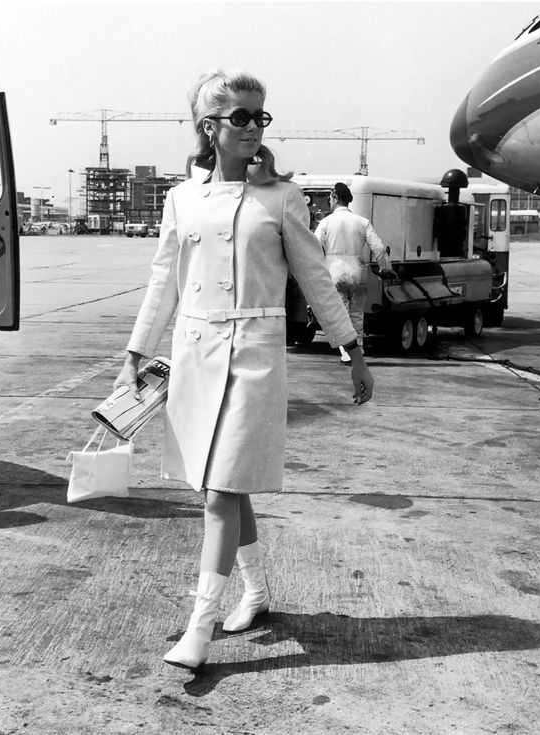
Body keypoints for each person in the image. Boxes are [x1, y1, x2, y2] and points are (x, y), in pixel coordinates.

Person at [113, 69, 374, 671]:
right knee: (221, 485)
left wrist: (350, 348)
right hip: (195, 354)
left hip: (256, 355)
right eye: (241, 118)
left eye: (262, 117)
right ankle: (254, 591)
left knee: (222, 490)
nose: (255, 128)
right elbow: (163, 282)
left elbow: (314, 277)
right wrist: (133, 356)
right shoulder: (182, 198)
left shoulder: (283, 199)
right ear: (210, 126)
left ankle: (199, 628)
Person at [314, 182, 395, 362]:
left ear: (335, 198)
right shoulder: (363, 222)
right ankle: (358, 351)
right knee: (357, 316)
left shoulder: (326, 222)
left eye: (330, 197)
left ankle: (347, 354)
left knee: (341, 315)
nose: (329, 200)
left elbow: (314, 246)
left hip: (334, 272)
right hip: (358, 273)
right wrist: (385, 268)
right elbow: (379, 248)